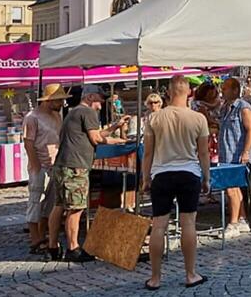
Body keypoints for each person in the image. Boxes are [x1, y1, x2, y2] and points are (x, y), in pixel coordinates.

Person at [46, 84, 130, 262]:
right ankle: (73, 248)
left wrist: (115, 126)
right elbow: (97, 138)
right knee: (75, 208)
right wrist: (119, 142)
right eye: (100, 100)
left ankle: (52, 246)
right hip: (76, 166)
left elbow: (95, 133)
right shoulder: (88, 112)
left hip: (63, 165)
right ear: (90, 97)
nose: (101, 105)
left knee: (59, 205)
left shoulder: (74, 112)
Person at [141, 76, 209, 290]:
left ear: (168, 93)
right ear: (189, 92)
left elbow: (148, 152)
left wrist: (145, 178)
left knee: (158, 225)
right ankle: (190, 274)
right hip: (189, 173)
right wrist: (206, 177)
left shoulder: (154, 118)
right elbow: (204, 152)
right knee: (188, 224)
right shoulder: (198, 119)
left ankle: (155, 278)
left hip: (161, 174)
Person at [23, 84, 68, 254]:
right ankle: (35, 239)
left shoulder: (56, 115)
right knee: (36, 201)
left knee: (49, 203)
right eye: (59, 100)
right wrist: (35, 166)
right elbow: (28, 143)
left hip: (54, 164)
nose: (62, 103)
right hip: (41, 165)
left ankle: (43, 235)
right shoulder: (32, 117)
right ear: (49, 100)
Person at [218, 78, 251, 236]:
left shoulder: (243, 107)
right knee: (235, 188)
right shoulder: (225, 108)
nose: (222, 91)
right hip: (226, 153)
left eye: (225, 88)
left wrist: (246, 151)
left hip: (237, 154)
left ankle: (232, 224)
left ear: (235, 90)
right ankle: (242, 219)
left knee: (231, 189)